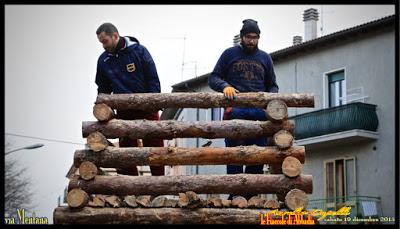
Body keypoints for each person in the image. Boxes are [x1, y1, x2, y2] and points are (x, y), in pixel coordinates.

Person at [208, 19, 279, 200]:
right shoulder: (229, 54)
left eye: (255, 37)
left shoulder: (265, 58)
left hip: (258, 113)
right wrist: (224, 86)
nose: (251, 41)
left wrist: (268, 99)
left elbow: (273, 86)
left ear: (259, 38)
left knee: (257, 153)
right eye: (248, 37)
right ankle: (235, 194)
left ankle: (252, 194)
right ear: (241, 37)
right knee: (234, 154)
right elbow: (213, 78)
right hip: (235, 110)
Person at [95, 22, 164, 176]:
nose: (103, 46)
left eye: (105, 41)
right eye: (101, 42)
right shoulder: (103, 61)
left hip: (147, 108)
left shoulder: (139, 51)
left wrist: (153, 103)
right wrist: (103, 108)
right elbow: (103, 88)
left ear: (115, 35)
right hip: (124, 111)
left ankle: (160, 185)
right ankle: (129, 187)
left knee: (155, 146)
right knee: (126, 150)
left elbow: (152, 79)